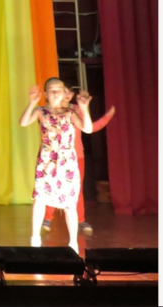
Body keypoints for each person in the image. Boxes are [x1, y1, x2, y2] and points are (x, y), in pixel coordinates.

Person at [20, 78, 92, 253]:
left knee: (70, 204)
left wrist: (84, 109)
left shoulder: (70, 113)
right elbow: (23, 122)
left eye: (59, 89)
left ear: (64, 93)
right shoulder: (41, 111)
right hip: (46, 161)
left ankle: (73, 243)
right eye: (51, 90)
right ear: (46, 93)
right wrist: (31, 103)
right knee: (40, 199)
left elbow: (88, 129)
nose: (55, 93)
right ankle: (35, 239)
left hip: (67, 163)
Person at [42, 88, 115, 235]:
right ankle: (47, 218)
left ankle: (81, 220)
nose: (66, 95)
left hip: (75, 156)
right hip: (54, 155)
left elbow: (91, 128)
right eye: (63, 91)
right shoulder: (48, 110)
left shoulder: (76, 110)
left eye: (69, 93)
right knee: (51, 185)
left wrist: (107, 116)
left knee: (76, 188)